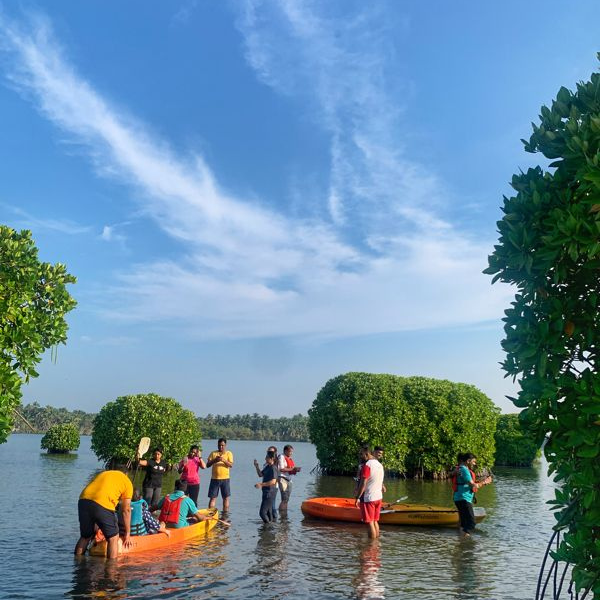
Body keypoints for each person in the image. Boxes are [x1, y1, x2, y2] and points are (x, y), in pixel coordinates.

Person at [74, 467, 133, 558]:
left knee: (85, 536)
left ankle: (77, 563)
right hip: (102, 503)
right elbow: (126, 510)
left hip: (83, 500)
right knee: (113, 538)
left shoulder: (104, 473)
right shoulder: (127, 481)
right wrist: (128, 533)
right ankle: (111, 569)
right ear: (126, 474)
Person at [452, 452, 492, 537]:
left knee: (463, 523)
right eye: (473, 462)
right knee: (471, 523)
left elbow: (467, 482)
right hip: (464, 499)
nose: (474, 464)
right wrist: (485, 482)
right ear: (468, 461)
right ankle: (466, 544)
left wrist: (481, 481)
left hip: (459, 498)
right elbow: (473, 485)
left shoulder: (460, 469)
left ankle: (461, 542)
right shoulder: (464, 470)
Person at [354, 446, 385, 539]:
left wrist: (357, 497)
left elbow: (363, 483)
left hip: (368, 498)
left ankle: (371, 545)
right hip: (378, 497)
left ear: (367, 454)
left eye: (361, 455)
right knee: (375, 521)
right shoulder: (380, 465)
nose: (360, 457)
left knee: (369, 522)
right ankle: (376, 544)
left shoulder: (367, 465)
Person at [207, 438, 234, 512]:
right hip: (215, 479)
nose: (221, 447)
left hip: (225, 479)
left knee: (226, 498)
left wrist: (223, 460)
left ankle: (225, 513)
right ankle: (211, 513)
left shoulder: (229, 453)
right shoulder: (213, 453)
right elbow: (207, 465)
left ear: (225, 445)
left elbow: (231, 465)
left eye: (222, 445)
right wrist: (215, 460)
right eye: (219, 445)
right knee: (213, 498)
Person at [254, 445, 279, 518]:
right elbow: (260, 474)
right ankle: (270, 527)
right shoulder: (268, 466)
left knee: (262, 513)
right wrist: (256, 466)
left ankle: (268, 526)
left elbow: (273, 481)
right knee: (268, 512)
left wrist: (261, 484)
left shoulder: (273, 468)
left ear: (272, 459)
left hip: (270, 492)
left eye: (267, 457)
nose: (265, 459)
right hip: (266, 491)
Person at [278, 444, 301, 511]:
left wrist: (296, 469)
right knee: (284, 498)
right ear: (285, 451)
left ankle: (284, 513)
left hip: (289, 480)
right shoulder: (281, 457)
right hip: (283, 479)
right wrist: (293, 469)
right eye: (290, 451)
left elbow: (290, 468)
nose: (291, 453)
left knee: (287, 499)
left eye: (292, 452)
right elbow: (281, 469)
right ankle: (282, 514)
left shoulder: (289, 458)